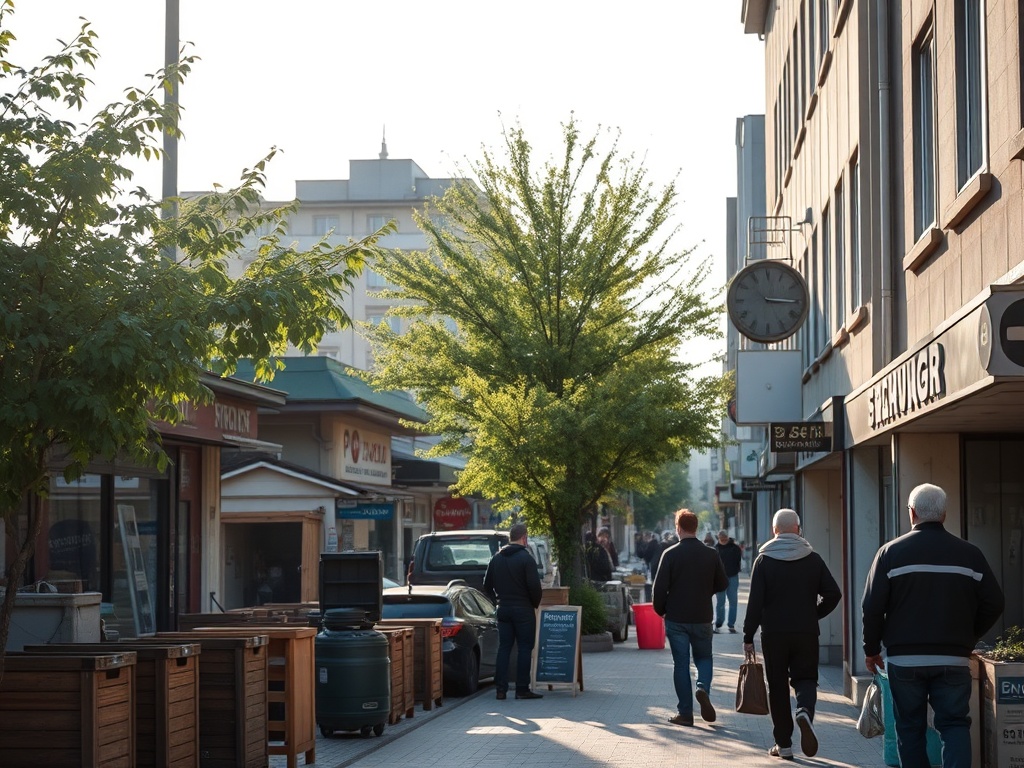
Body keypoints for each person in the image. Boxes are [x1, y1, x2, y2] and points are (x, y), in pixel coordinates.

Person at [862, 483, 1004, 768]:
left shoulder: (889, 553)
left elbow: (872, 607)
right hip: (953, 658)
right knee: (954, 725)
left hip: (904, 660)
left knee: (909, 728)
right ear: (944, 514)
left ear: (912, 513)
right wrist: (969, 636)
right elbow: (995, 602)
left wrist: (872, 649)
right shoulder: (970, 554)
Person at [742, 508, 841, 761]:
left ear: (775, 531)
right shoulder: (813, 558)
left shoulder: (763, 560)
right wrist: (813, 614)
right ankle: (805, 710)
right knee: (806, 678)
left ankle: (783, 745)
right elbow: (834, 594)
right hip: (806, 632)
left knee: (777, 686)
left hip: (773, 633)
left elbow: (755, 603)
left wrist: (747, 636)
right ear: (798, 529)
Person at [653, 508, 728, 727]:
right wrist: (706, 591)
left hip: (676, 617)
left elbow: (659, 589)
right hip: (703, 615)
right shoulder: (711, 553)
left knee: (681, 664)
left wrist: (662, 609)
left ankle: (685, 713)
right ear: (695, 528)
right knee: (704, 658)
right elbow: (723, 583)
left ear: (678, 528)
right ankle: (703, 686)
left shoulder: (670, 554)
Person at [482, 522, 544, 700]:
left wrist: (497, 601)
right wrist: (534, 603)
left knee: (504, 648)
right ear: (524, 538)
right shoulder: (526, 559)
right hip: (523, 609)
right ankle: (522, 689)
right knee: (525, 648)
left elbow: (487, 585)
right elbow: (534, 587)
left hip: (504, 609)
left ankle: (500, 690)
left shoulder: (496, 558)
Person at [714, 529, 743, 634]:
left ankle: (731, 624)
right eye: (721, 539)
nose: (723, 540)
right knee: (720, 602)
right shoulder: (715, 549)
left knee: (733, 602)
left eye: (724, 539)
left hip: (733, 577)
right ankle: (719, 623)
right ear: (718, 538)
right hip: (720, 578)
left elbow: (738, 560)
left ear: (727, 537)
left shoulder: (735, 548)